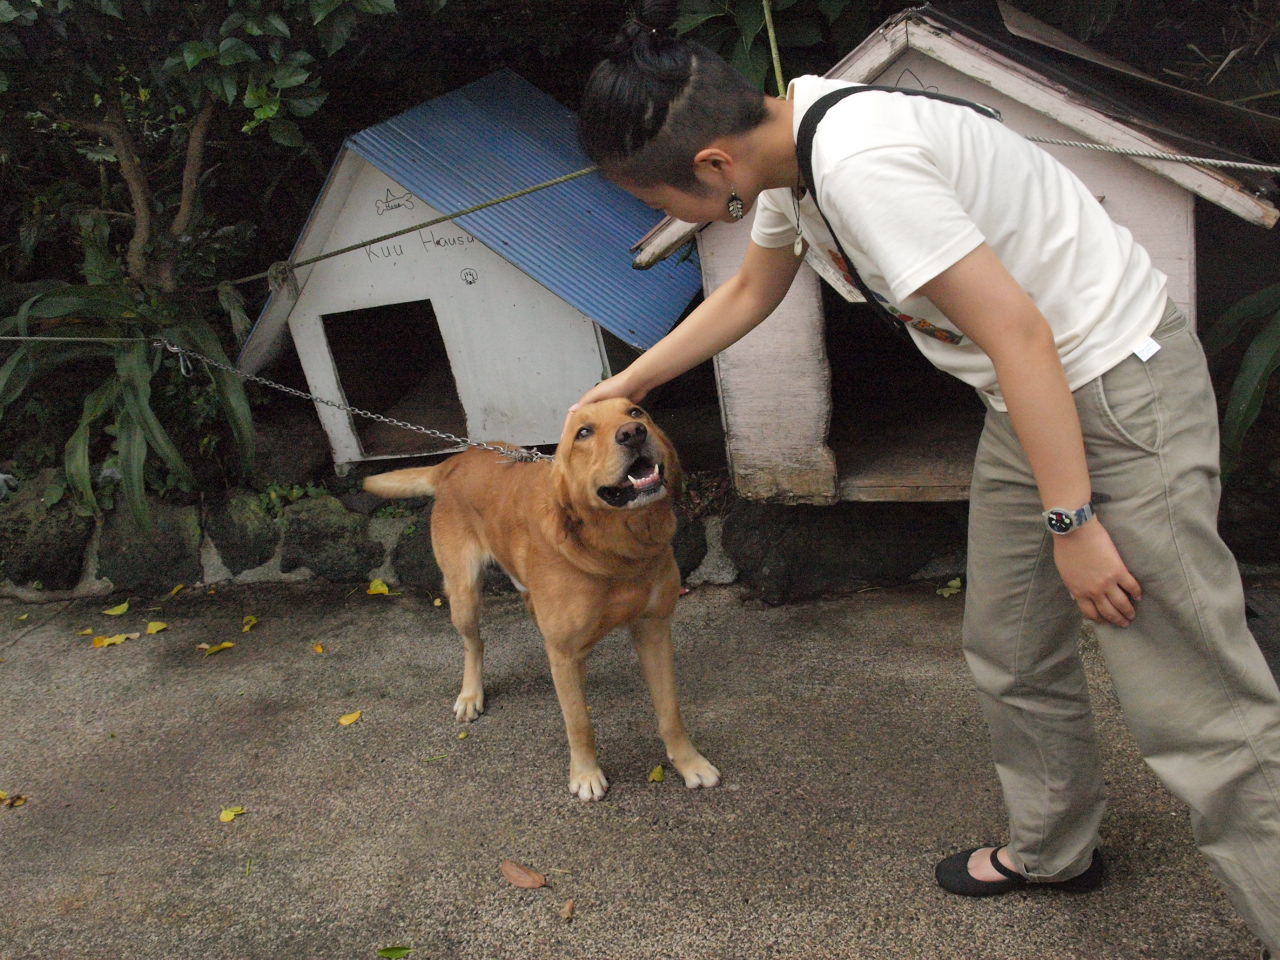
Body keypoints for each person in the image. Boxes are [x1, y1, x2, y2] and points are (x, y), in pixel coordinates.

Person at [572, 1, 1280, 956]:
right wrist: (624, 384)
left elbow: (1019, 332)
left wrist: (1074, 524)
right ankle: (1055, 848)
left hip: (1114, 398)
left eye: (660, 203)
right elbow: (750, 288)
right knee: (1010, 644)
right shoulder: (793, 150)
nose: (665, 220)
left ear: (711, 166)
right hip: (1030, 405)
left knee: (1195, 704)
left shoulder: (862, 167)